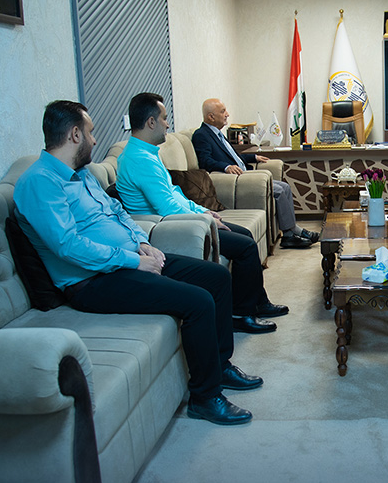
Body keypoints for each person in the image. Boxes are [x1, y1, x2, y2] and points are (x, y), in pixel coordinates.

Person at [14, 100, 260, 426]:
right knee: (198, 301)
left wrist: (142, 243)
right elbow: (67, 246)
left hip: (129, 259)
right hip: (92, 281)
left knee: (215, 277)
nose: (95, 140)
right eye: (90, 132)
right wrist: (132, 260)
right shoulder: (39, 182)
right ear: (74, 135)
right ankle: (205, 398)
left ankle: (220, 365)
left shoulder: (82, 175)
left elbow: (116, 211)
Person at [115, 92, 287, 334]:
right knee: (245, 247)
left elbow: (174, 195)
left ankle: (258, 302)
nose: (167, 124)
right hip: (173, 228)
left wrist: (203, 210)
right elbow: (166, 207)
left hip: (184, 218)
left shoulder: (146, 154)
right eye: (164, 118)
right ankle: (241, 314)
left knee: (245, 236)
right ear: (151, 122)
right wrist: (204, 219)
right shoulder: (139, 159)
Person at [192, 98, 319, 249]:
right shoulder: (202, 135)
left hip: (245, 174)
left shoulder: (217, 133)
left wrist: (253, 157)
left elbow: (233, 156)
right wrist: (226, 167)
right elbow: (205, 161)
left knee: (284, 187)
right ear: (211, 116)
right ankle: (291, 234)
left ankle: (291, 232)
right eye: (223, 111)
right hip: (237, 180)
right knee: (278, 190)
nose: (227, 114)